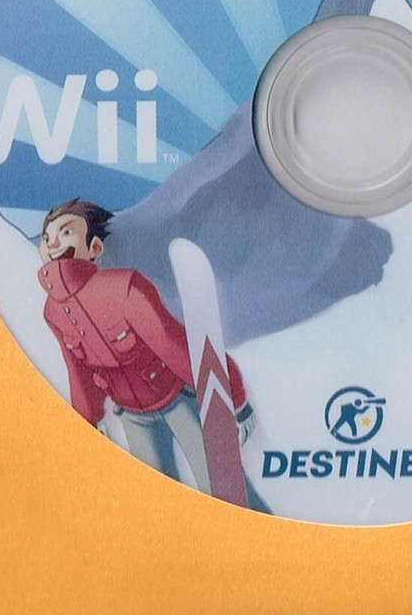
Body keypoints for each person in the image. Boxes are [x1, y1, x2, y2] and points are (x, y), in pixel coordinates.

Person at [36, 198, 261, 506]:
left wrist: (233, 396)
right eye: (47, 237)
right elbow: (79, 374)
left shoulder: (123, 287)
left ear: (95, 248)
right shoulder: (53, 313)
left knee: (227, 492)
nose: (53, 243)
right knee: (156, 503)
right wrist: (88, 423)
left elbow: (176, 347)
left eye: (66, 232)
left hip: (179, 401)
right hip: (132, 417)